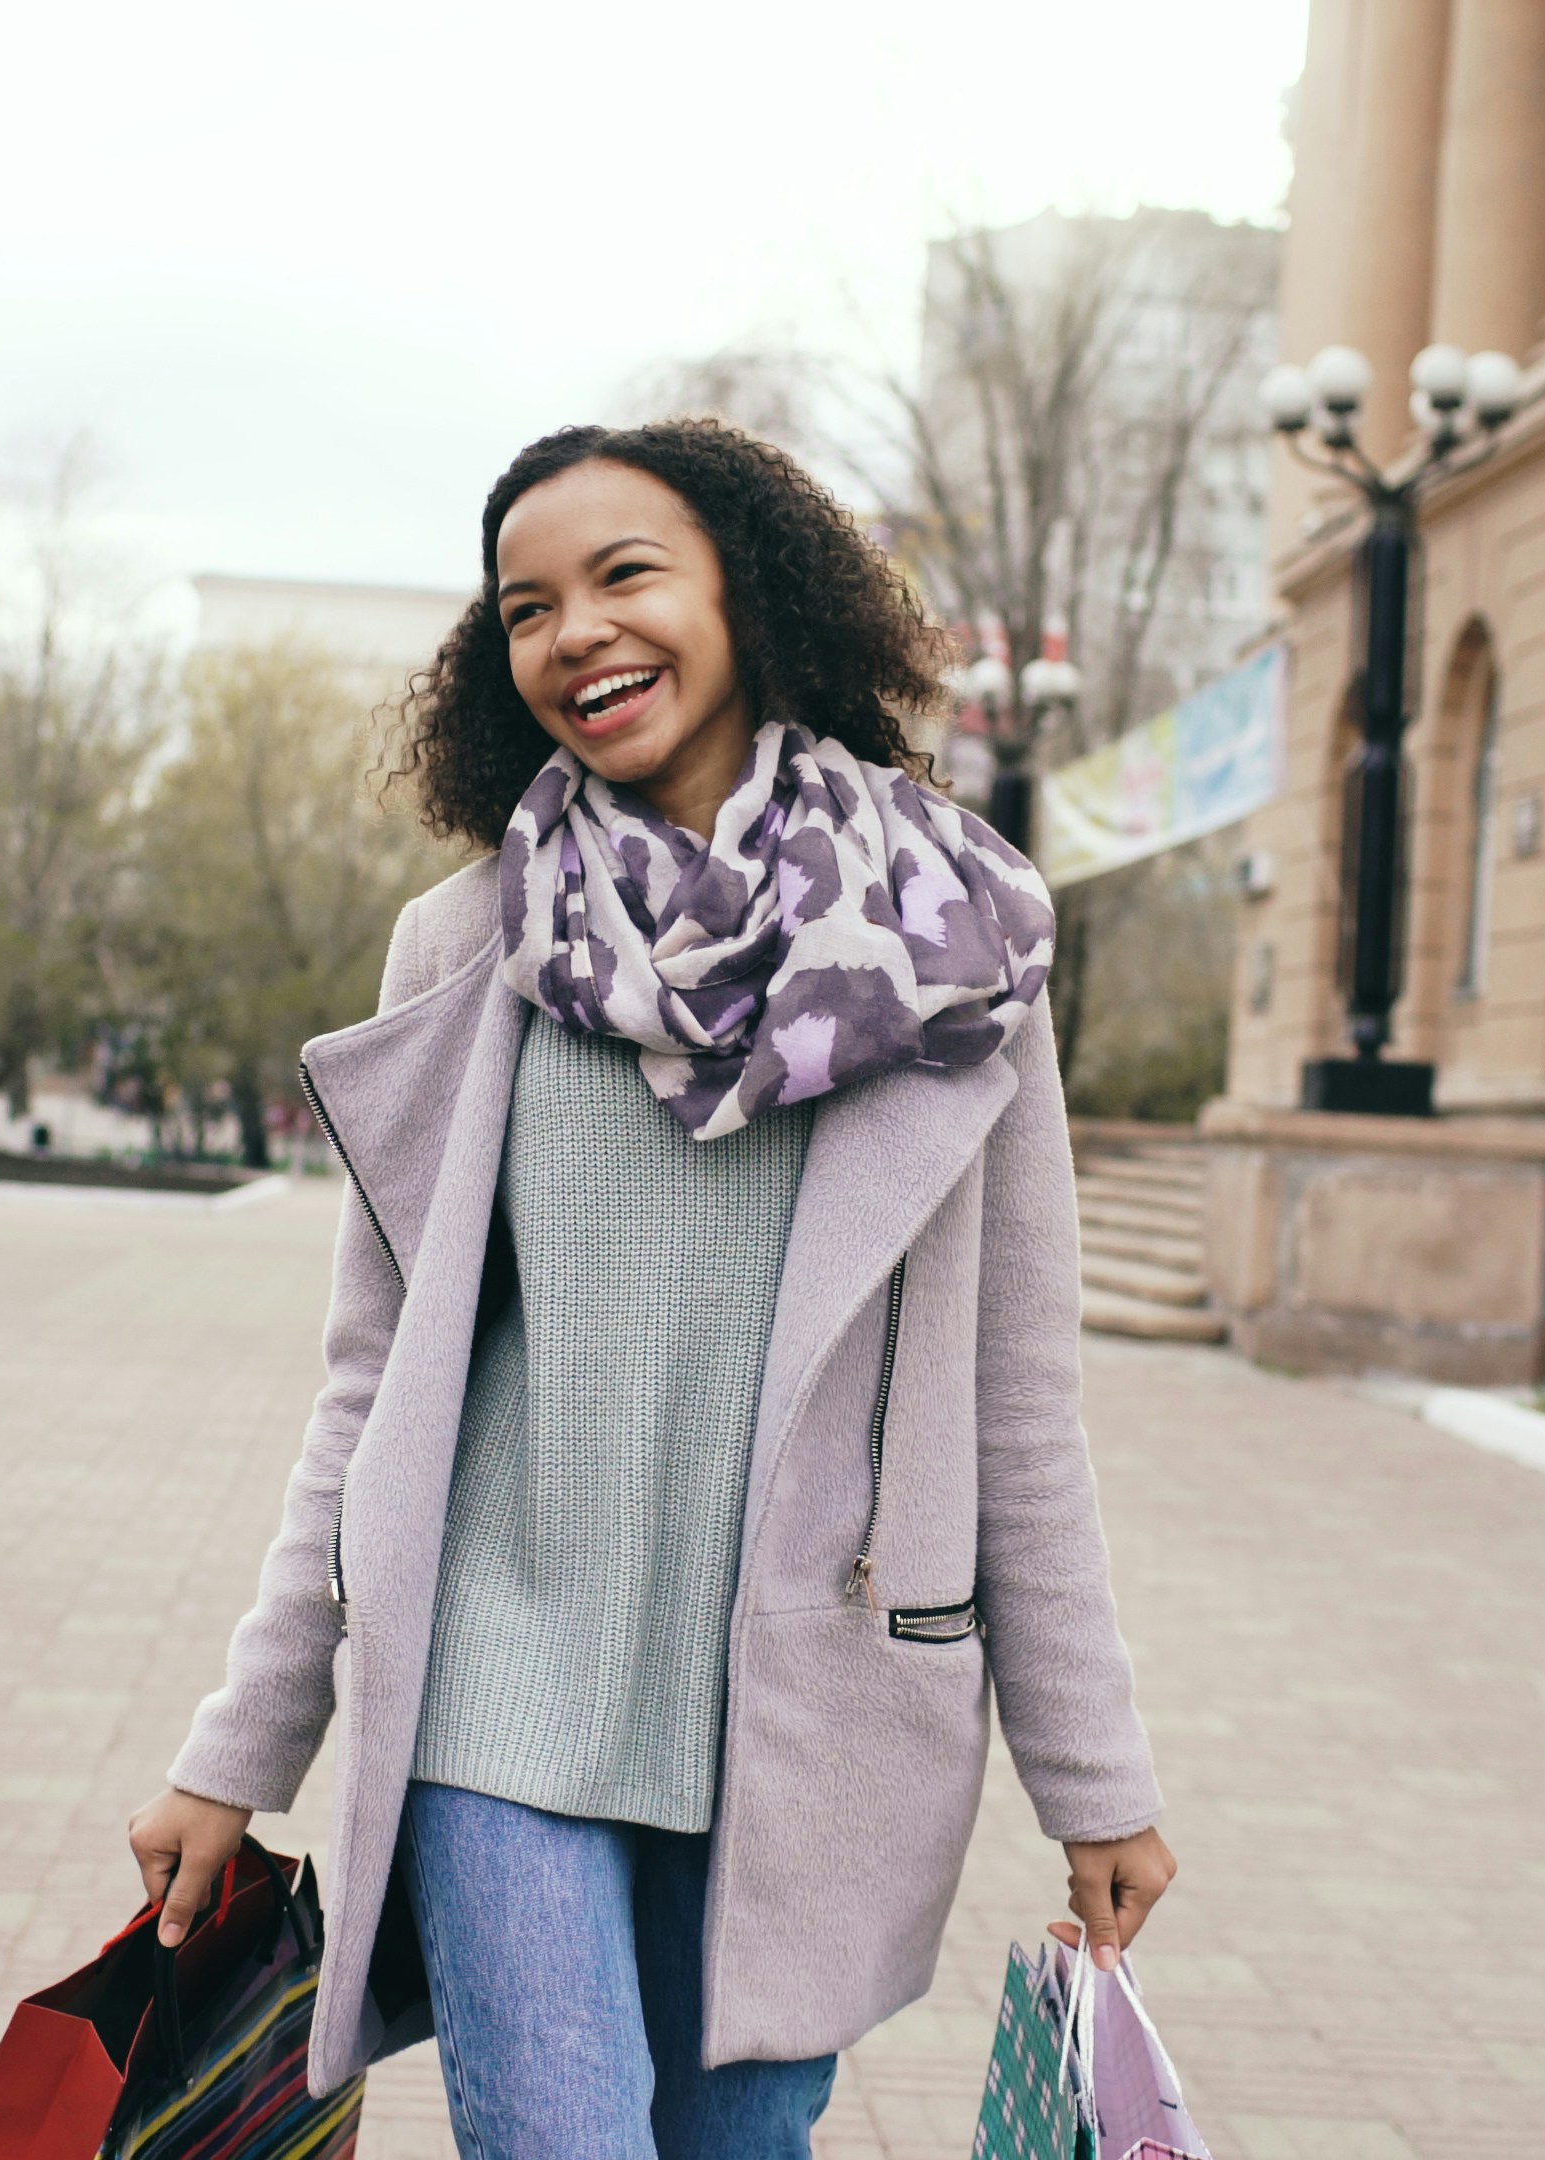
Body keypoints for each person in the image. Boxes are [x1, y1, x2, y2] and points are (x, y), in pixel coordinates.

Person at [129, 421, 1174, 2160]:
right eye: (525, 607)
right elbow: (373, 1402)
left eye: (625, 576)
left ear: (744, 594)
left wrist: (1098, 1777)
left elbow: (1016, 1409)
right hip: (499, 1690)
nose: (577, 635)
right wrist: (236, 1749)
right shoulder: (468, 949)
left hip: (812, 1711)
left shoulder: (956, 940)